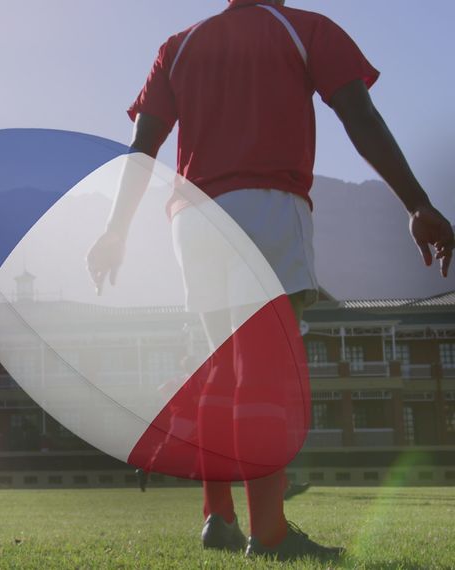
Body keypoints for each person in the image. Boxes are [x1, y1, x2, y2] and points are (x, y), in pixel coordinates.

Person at [88, 0, 454, 561]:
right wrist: (417, 203)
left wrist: (115, 231)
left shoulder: (179, 45)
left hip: (192, 220)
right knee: (262, 371)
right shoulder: (304, 28)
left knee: (219, 369)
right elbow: (360, 116)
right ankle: (271, 533)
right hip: (265, 207)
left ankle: (218, 516)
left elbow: (143, 149)